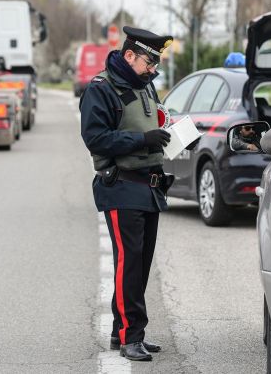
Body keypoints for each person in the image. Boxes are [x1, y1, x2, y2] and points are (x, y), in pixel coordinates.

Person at [79, 26, 174, 362]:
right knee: (128, 264)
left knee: (141, 265)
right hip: (121, 185)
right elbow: (96, 139)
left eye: (156, 63)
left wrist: (169, 131)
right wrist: (141, 140)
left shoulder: (145, 87)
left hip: (148, 187)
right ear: (129, 55)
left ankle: (127, 333)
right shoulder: (101, 89)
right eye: (149, 61)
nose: (153, 69)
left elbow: (152, 122)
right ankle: (129, 335)